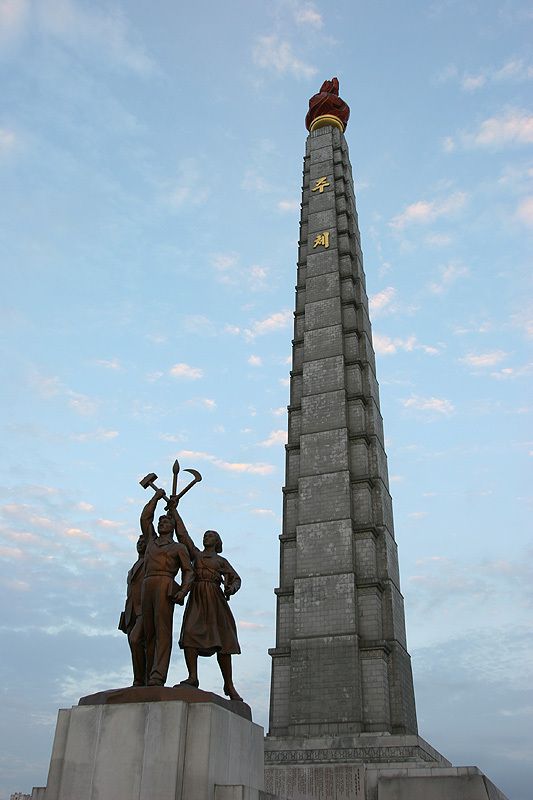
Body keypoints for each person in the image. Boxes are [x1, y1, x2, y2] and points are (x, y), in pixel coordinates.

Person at [168, 501, 243, 701]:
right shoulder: (196, 555)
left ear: (217, 542)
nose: (206, 536)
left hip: (215, 600)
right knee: (190, 633)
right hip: (197, 597)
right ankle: (193, 677)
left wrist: (231, 588)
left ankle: (229, 684)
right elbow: (183, 535)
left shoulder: (220, 561)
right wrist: (174, 511)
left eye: (211, 535)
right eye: (205, 534)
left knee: (223, 641)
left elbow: (236, 578)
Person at [140, 488, 194, 686]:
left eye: (166, 521)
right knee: (148, 632)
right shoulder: (151, 542)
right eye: (160, 521)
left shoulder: (178, 548)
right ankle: (147, 674)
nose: (162, 523)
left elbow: (189, 571)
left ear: (172, 526)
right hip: (148, 584)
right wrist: (155, 497)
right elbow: (145, 518)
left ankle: (158, 674)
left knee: (162, 630)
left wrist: (183, 591)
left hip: (165, 584)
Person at [118, 535, 147, 686]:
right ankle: (139, 679)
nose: (140, 544)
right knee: (134, 646)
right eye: (139, 542)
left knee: (137, 641)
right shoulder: (132, 569)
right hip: (130, 613)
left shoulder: (150, 563)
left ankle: (142, 680)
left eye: (144, 542)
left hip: (144, 609)